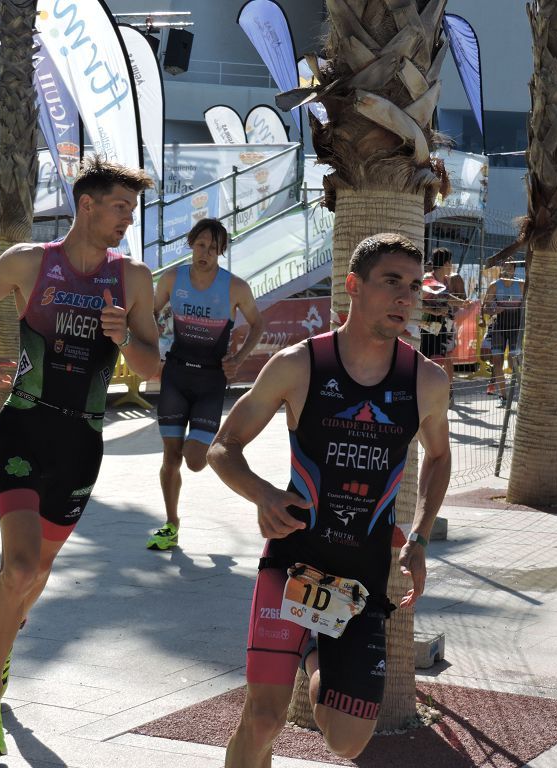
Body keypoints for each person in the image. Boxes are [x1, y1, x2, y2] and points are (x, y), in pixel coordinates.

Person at [208, 233, 451, 765]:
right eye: (391, 282)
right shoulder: (299, 365)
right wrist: (265, 496)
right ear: (353, 287)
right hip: (292, 562)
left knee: (347, 740)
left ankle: (315, 646)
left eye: (412, 286)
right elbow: (223, 447)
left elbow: (438, 456)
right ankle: (309, 640)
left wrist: (420, 533)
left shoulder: (425, 381)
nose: (405, 298)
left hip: (359, 581)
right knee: (265, 718)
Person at [0, 157, 160, 757]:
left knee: (36, 575)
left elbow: (151, 371)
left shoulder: (134, 279)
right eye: (120, 206)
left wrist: (126, 338)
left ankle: (2, 644)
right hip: (23, 427)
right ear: (88, 205)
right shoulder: (29, 262)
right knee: (17, 568)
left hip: (82, 442)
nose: (128, 218)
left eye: (131, 208)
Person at [147, 218, 265, 551]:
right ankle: (171, 524)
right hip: (175, 376)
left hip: (211, 381)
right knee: (170, 456)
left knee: (195, 460)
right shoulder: (172, 278)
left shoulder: (235, 287)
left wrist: (239, 359)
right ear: (191, 244)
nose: (205, 253)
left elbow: (258, 323)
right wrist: (151, 346)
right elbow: (150, 313)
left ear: (221, 252)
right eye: (201, 245)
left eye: (213, 248)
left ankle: (199, 442)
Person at [420, 247, 465, 405]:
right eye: (450, 262)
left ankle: (442, 395)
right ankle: (427, 396)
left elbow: (446, 297)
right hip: (428, 328)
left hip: (443, 327)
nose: (451, 265)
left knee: (441, 360)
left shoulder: (446, 280)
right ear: (446, 263)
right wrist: (435, 310)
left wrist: (462, 303)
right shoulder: (427, 279)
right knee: (429, 362)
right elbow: (418, 303)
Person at [482, 259, 525, 405]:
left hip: (515, 329)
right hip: (499, 327)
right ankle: (503, 396)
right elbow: (484, 309)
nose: (507, 270)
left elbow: (529, 305)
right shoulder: (494, 286)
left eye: (510, 268)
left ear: (514, 270)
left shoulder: (521, 285)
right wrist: (493, 310)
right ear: (501, 269)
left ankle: (518, 394)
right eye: (505, 267)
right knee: (497, 362)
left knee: (515, 363)